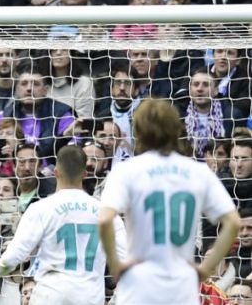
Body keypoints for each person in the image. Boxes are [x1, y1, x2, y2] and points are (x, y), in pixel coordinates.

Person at [98, 99, 241, 304]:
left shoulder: (125, 170)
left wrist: (116, 265)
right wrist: (205, 269)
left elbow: (104, 221)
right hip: (181, 287)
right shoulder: (197, 171)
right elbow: (234, 222)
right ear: (176, 128)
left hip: (139, 284)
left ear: (138, 130)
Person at [0, 145, 126, 305]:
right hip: (89, 297)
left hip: (50, 296)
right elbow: (126, 261)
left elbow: (15, 254)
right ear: (85, 174)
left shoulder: (40, 208)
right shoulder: (107, 213)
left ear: (55, 172)